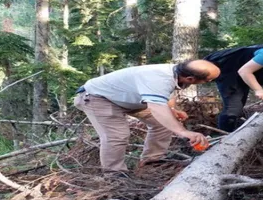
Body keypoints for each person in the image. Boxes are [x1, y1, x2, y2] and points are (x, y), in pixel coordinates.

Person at [74, 60, 221, 177]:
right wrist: (183, 132)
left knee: (162, 124)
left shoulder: (176, 73)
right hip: (98, 98)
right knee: (117, 135)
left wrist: (171, 110)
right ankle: (114, 174)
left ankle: (152, 161)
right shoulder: (159, 78)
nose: (209, 83)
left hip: (126, 100)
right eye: (208, 80)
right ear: (191, 78)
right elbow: (156, 106)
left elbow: (163, 97)